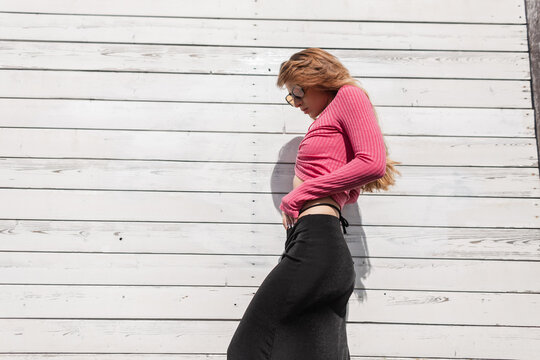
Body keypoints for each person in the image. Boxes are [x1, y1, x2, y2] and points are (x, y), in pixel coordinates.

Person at [227, 48, 401, 359]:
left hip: (317, 242)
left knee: (248, 349)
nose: (295, 102)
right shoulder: (330, 119)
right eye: (290, 96)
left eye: (297, 91)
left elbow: (372, 163)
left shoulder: (348, 95)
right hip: (314, 243)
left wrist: (298, 194)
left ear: (316, 78)